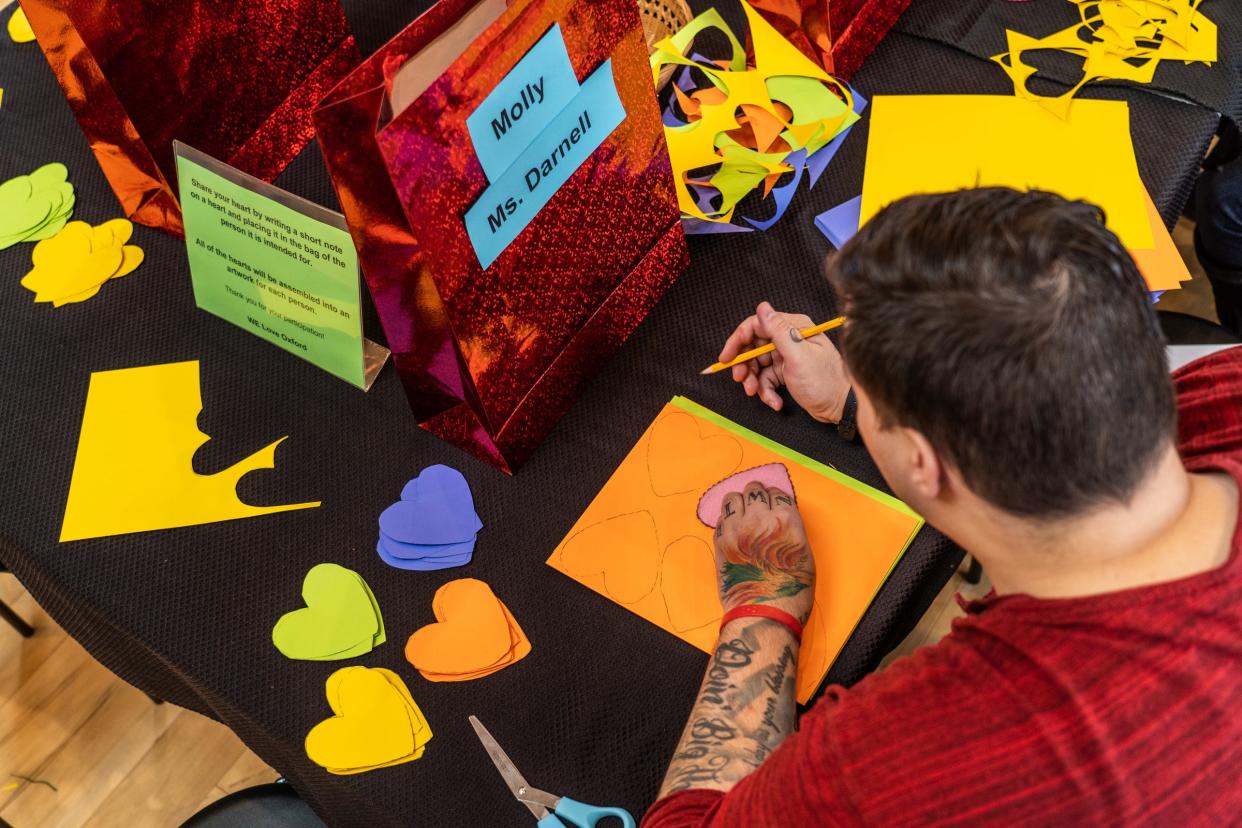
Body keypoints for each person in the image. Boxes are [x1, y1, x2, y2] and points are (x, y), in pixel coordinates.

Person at [643, 188, 1242, 825]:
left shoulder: (937, 750)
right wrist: (856, 400)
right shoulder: (1222, 383)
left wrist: (761, 602)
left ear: (925, 464)